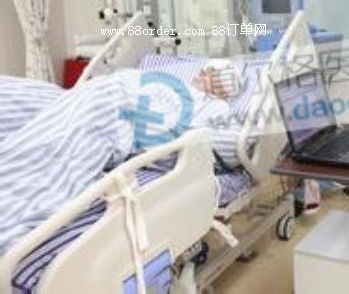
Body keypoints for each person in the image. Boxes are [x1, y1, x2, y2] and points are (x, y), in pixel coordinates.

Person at [0, 62, 243, 254]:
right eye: (204, 71)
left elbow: (230, 144)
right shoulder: (171, 84)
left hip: (114, 103)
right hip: (85, 96)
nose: (202, 75)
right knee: (13, 94)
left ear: (223, 88)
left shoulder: (215, 108)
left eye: (212, 75)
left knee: (69, 132)